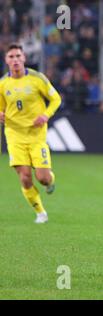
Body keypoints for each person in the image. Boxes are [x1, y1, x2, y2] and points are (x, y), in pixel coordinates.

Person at [0, 43, 61, 223]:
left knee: (42, 178)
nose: (15, 60)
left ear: (24, 58)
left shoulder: (37, 78)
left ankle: (51, 181)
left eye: (18, 56)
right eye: (11, 57)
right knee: (25, 177)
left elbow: (56, 99)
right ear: (6, 60)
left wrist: (45, 115)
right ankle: (41, 213)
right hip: (14, 135)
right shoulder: (3, 84)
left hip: (36, 135)